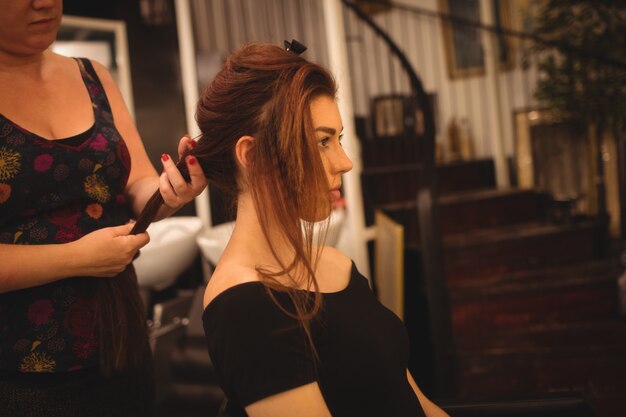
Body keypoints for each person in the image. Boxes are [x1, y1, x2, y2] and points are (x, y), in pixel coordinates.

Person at [132, 41, 448, 417]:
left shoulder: (339, 268)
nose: (345, 163)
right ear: (251, 156)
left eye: (338, 139)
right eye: (321, 142)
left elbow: (412, 401)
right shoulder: (245, 306)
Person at [0, 1, 207, 416]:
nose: (43, 3)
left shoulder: (93, 76)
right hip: (21, 365)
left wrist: (171, 190)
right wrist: (77, 259)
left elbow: (138, 184)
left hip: (121, 341)